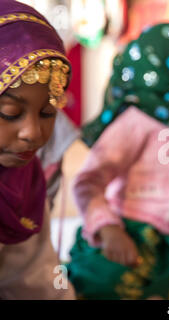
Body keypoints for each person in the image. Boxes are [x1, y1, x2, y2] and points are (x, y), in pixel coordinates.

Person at [67, 22, 169, 300]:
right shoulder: (135, 122)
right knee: (105, 283)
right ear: (167, 71)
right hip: (128, 235)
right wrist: (107, 228)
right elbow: (87, 182)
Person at [0, 0, 75, 299]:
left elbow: (39, 279)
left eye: (47, 113)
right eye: (9, 113)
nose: (33, 133)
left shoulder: (23, 184)